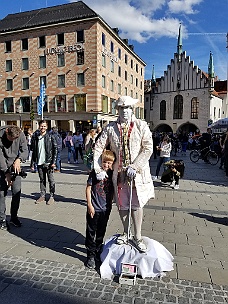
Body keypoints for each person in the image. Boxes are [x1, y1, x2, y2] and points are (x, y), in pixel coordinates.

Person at [93, 96, 154, 252]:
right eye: (122, 108)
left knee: (136, 203)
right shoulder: (110, 128)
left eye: (128, 108)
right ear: (118, 110)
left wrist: (136, 165)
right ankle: (126, 232)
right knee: (122, 204)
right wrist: (98, 168)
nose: (125, 111)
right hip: (119, 174)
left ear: (132, 109)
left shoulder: (141, 125)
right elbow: (99, 147)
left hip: (137, 174)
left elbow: (148, 148)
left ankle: (137, 236)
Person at [85, 150, 115, 269]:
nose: (106, 165)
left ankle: (98, 250)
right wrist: (89, 205)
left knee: (101, 231)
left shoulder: (112, 174)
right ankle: (90, 255)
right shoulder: (95, 173)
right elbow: (88, 188)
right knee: (91, 231)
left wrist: (111, 202)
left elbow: (113, 189)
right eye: (104, 162)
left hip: (105, 208)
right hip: (94, 208)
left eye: (109, 163)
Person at [0, 125, 28, 230]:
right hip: (2, 167)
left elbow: (25, 150)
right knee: (1, 194)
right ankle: (2, 219)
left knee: (16, 192)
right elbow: (0, 157)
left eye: (14, 139)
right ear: (7, 132)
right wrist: (6, 174)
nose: (13, 141)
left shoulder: (20, 135)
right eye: (11, 139)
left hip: (15, 167)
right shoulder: (0, 135)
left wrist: (19, 159)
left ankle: (14, 217)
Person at [31, 120, 57, 205]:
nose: (43, 128)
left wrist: (53, 162)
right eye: (41, 126)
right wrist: (32, 163)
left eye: (44, 126)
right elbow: (33, 150)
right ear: (39, 126)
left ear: (47, 127)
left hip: (48, 162)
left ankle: (52, 196)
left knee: (51, 180)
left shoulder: (50, 136)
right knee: (42, 180)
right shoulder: (36, 136)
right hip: (39, 162)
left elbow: (55, 149)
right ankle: (42, 195)